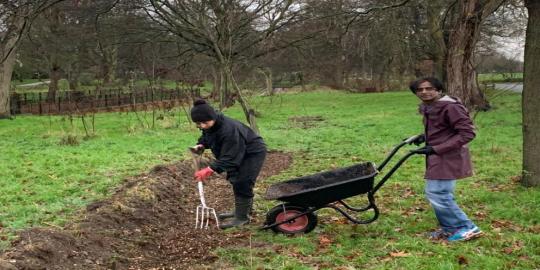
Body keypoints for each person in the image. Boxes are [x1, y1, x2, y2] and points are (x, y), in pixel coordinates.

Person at [409, 77, 483, 242]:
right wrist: (424, 137)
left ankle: (467, 228)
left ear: (439, 90)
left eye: (429, 88)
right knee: (438, 193)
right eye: (420, 90)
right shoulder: (431, 107)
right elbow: (444, 129)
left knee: (438, 193)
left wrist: (436, 148)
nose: (424, 92)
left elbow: (467, 133)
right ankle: (450, 229)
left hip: (449, 157)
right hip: (438, 156)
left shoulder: (450, 107)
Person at [190, 99, 267, 229]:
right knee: (235, 179)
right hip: (236, 151)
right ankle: (241, 211)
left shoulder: (228, 130)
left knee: (243, 181)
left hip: (251, 152)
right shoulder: (212, 125)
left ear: (212, 117)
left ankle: (242, 218)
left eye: (205, 122)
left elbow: (230, 158)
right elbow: (207, 135)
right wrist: (201, 144)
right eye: (198, 123)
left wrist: (209, 169)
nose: (202, 126)